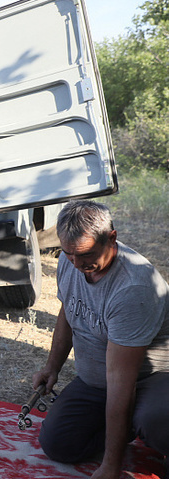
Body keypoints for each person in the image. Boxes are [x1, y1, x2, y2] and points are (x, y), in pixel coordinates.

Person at [32, 200, 169, 479]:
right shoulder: (69, 260)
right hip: (98, 382)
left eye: (85, 255)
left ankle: (145, 427)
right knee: (58, 444)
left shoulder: (133, 286)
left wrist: (110, 467)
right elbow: (68, 311)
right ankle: (127, 425)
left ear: (112, 238)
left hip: (150, 380)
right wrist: (52, 367)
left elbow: (121, 381)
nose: (78, 264)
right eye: (69, 254)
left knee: (155, 420)